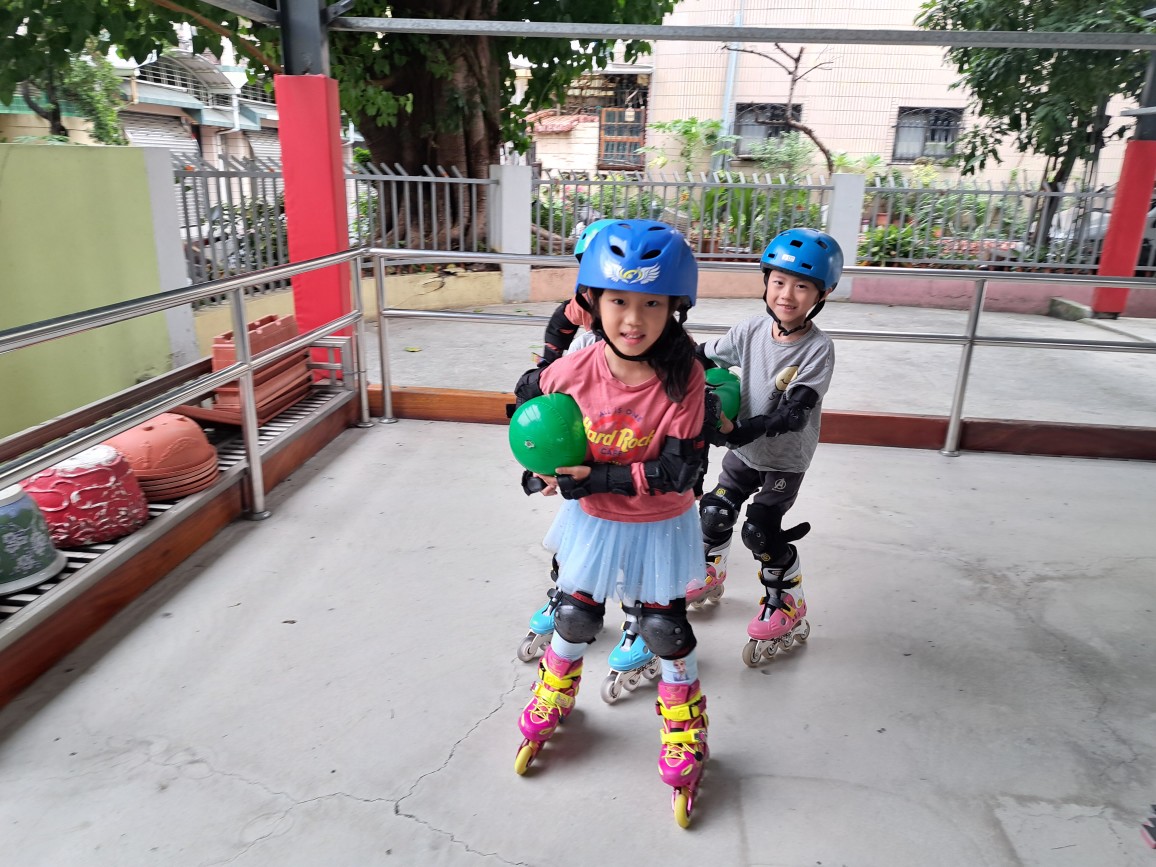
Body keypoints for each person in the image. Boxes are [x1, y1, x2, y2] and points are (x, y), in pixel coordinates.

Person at [512, 219, 710, 828]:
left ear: (674, 309)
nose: (634, 318)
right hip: (595, 521)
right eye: (619, 300)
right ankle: (555, 688)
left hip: (660, 521)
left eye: (652, 303)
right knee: (574, 614)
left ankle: (685, 719)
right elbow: (530, 410)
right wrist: (539, 468)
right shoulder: (571, 371)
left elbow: (681, 470)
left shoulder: (684, 377)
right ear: (592, 302)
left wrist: (594, 477)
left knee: (663, 628)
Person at [693, 227, 843, 667]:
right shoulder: (751, 330)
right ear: (765, 282)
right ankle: (709, 568)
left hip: (784, 460)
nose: (787, 294)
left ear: (822, 294)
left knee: (760, 529)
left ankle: (787, 600)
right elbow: (704, 356)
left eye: (802, 286)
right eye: (779, 281)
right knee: (714, 510)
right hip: (744, 452)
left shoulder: (818, 349)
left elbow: (794, 413)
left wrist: (740, 431)